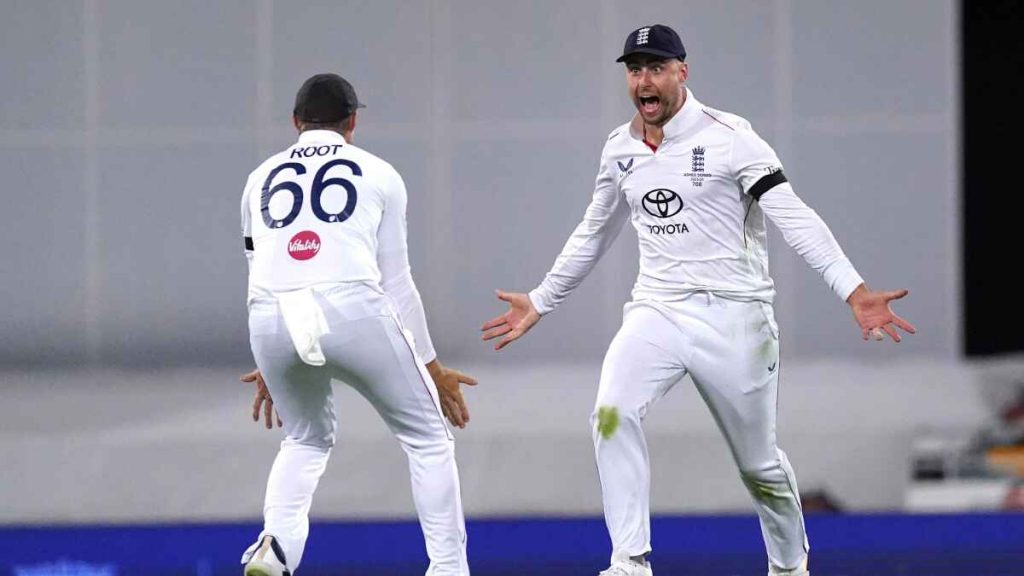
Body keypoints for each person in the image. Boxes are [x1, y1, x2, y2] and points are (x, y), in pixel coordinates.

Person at [481, 24, 915, 576]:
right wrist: (542, 299)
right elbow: (595, 231)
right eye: (635, 69)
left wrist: (852, 290)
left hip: (736, 316)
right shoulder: (620, 149)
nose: (645, 80)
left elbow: (793, 216)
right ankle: (629, 561)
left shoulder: (732, 138)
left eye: (656, 68)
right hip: (657, 310)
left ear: (682, 72)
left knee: (758, 465)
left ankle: (789, 567)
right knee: (611, 414)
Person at [238, 73, 475, 576]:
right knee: (429, 438)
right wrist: (431, 366)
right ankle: (449, 568)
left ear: (295, 122)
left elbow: (261, 271)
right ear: (353, 122)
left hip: (270, 315)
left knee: (304, 438)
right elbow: (398, 283)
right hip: (351, 307)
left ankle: (275, 548)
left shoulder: (259, 177)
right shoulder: (380, 173)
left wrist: (272, 357)